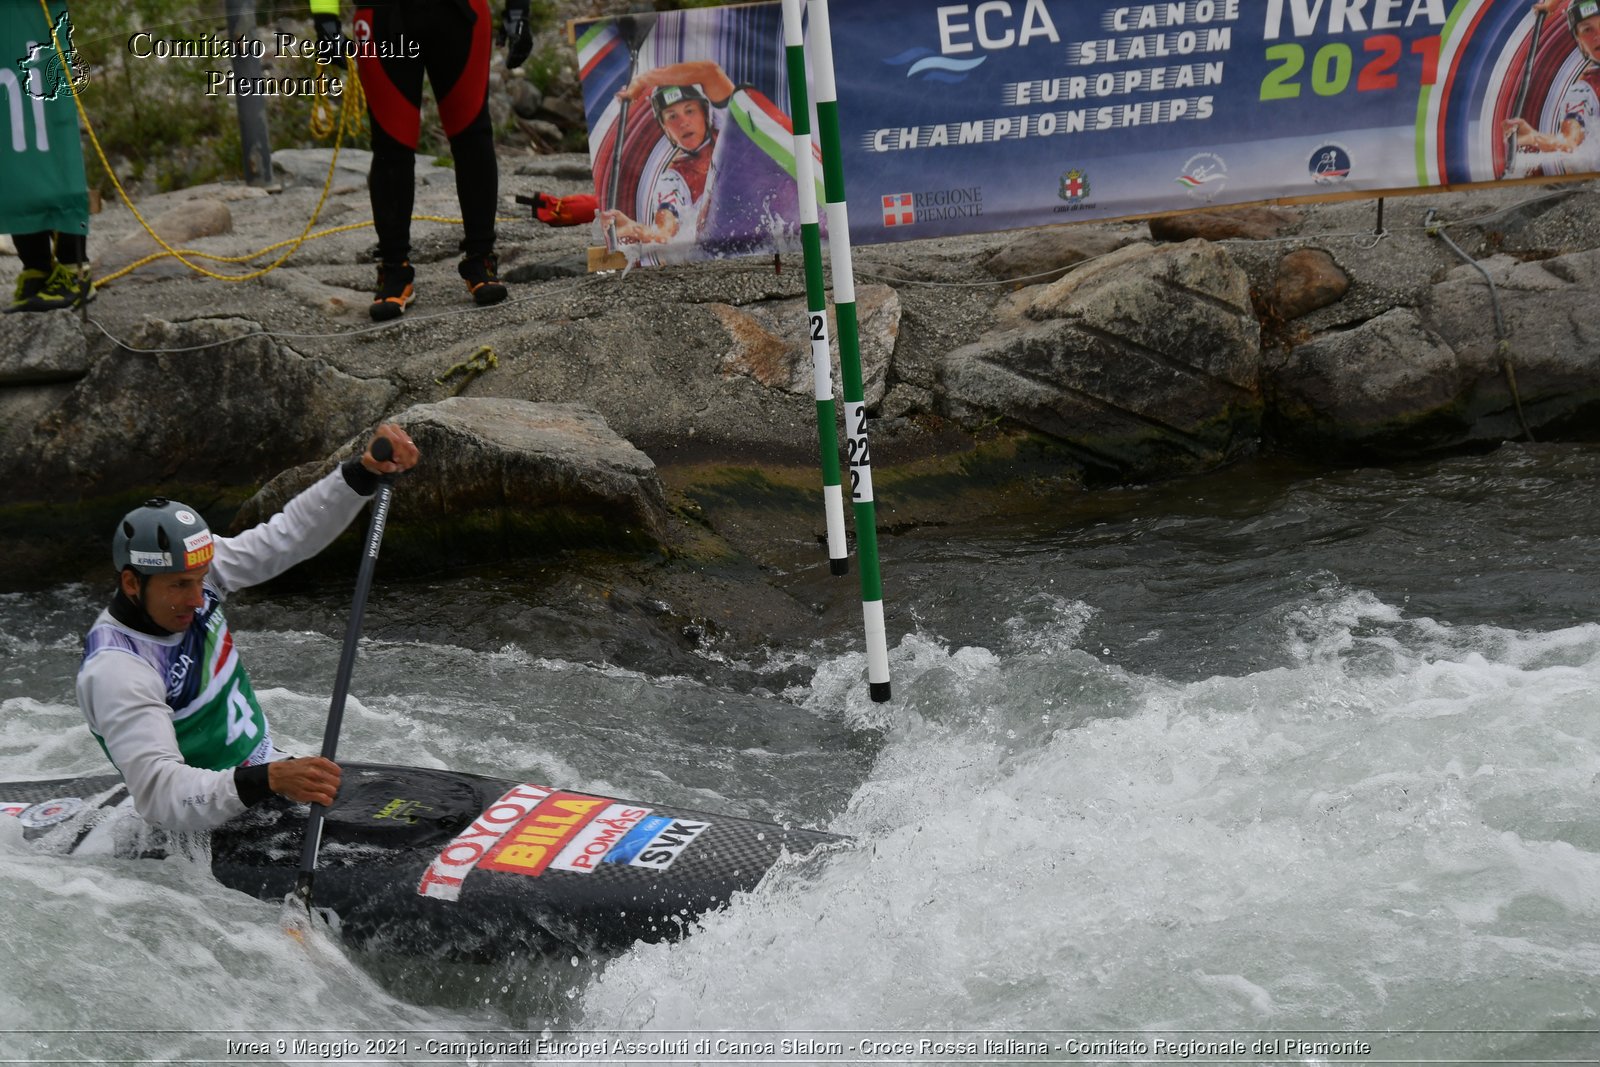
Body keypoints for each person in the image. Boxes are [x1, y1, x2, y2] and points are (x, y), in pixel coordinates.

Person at [76, 425, 420, 831]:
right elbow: (159, 794)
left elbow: (286, 538)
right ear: (132, 583)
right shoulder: (119, 671)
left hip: (264, 777)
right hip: (203, 828)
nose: (197, 596)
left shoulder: (195, 573)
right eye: (179, 586)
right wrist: (271, 779)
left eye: (200, 578)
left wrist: (361, 474)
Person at [309, 0, 533, 321]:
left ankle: (481, 258)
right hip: (382, 15)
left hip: (459, 13)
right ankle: (394, 270)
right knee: (391, 144)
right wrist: (325, 19)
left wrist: (517, 10)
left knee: (472, 133)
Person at [3, 2, 93, 312]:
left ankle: (73, 266)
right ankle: (36, 266)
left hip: (36, 19)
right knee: (10, 147)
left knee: (49, 139)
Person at [600, 61, 735, 246]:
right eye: (672, 116)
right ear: (665, 129)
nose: (683, 122)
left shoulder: (726, 125)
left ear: (705, 113)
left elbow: (709, 71)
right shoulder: (672, 180)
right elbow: (666, 233)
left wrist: (643, 80)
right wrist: (635, 229)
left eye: (689, 111)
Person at [1503, 0, 1600, 176]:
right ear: (1579, 42)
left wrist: (1552, 4)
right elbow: (1570, 142)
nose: (1598, 36)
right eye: (1587, 29)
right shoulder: (1583, 92)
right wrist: (1534, 138)